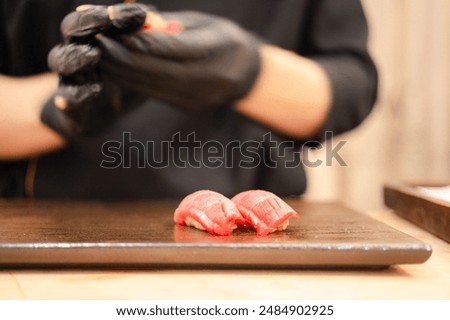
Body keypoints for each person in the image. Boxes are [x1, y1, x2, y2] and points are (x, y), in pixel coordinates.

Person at [0, 0, 377, 199]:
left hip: (256, 238)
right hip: (46, 233)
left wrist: (248, 69)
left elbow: (352, 86)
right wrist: (61, 107)